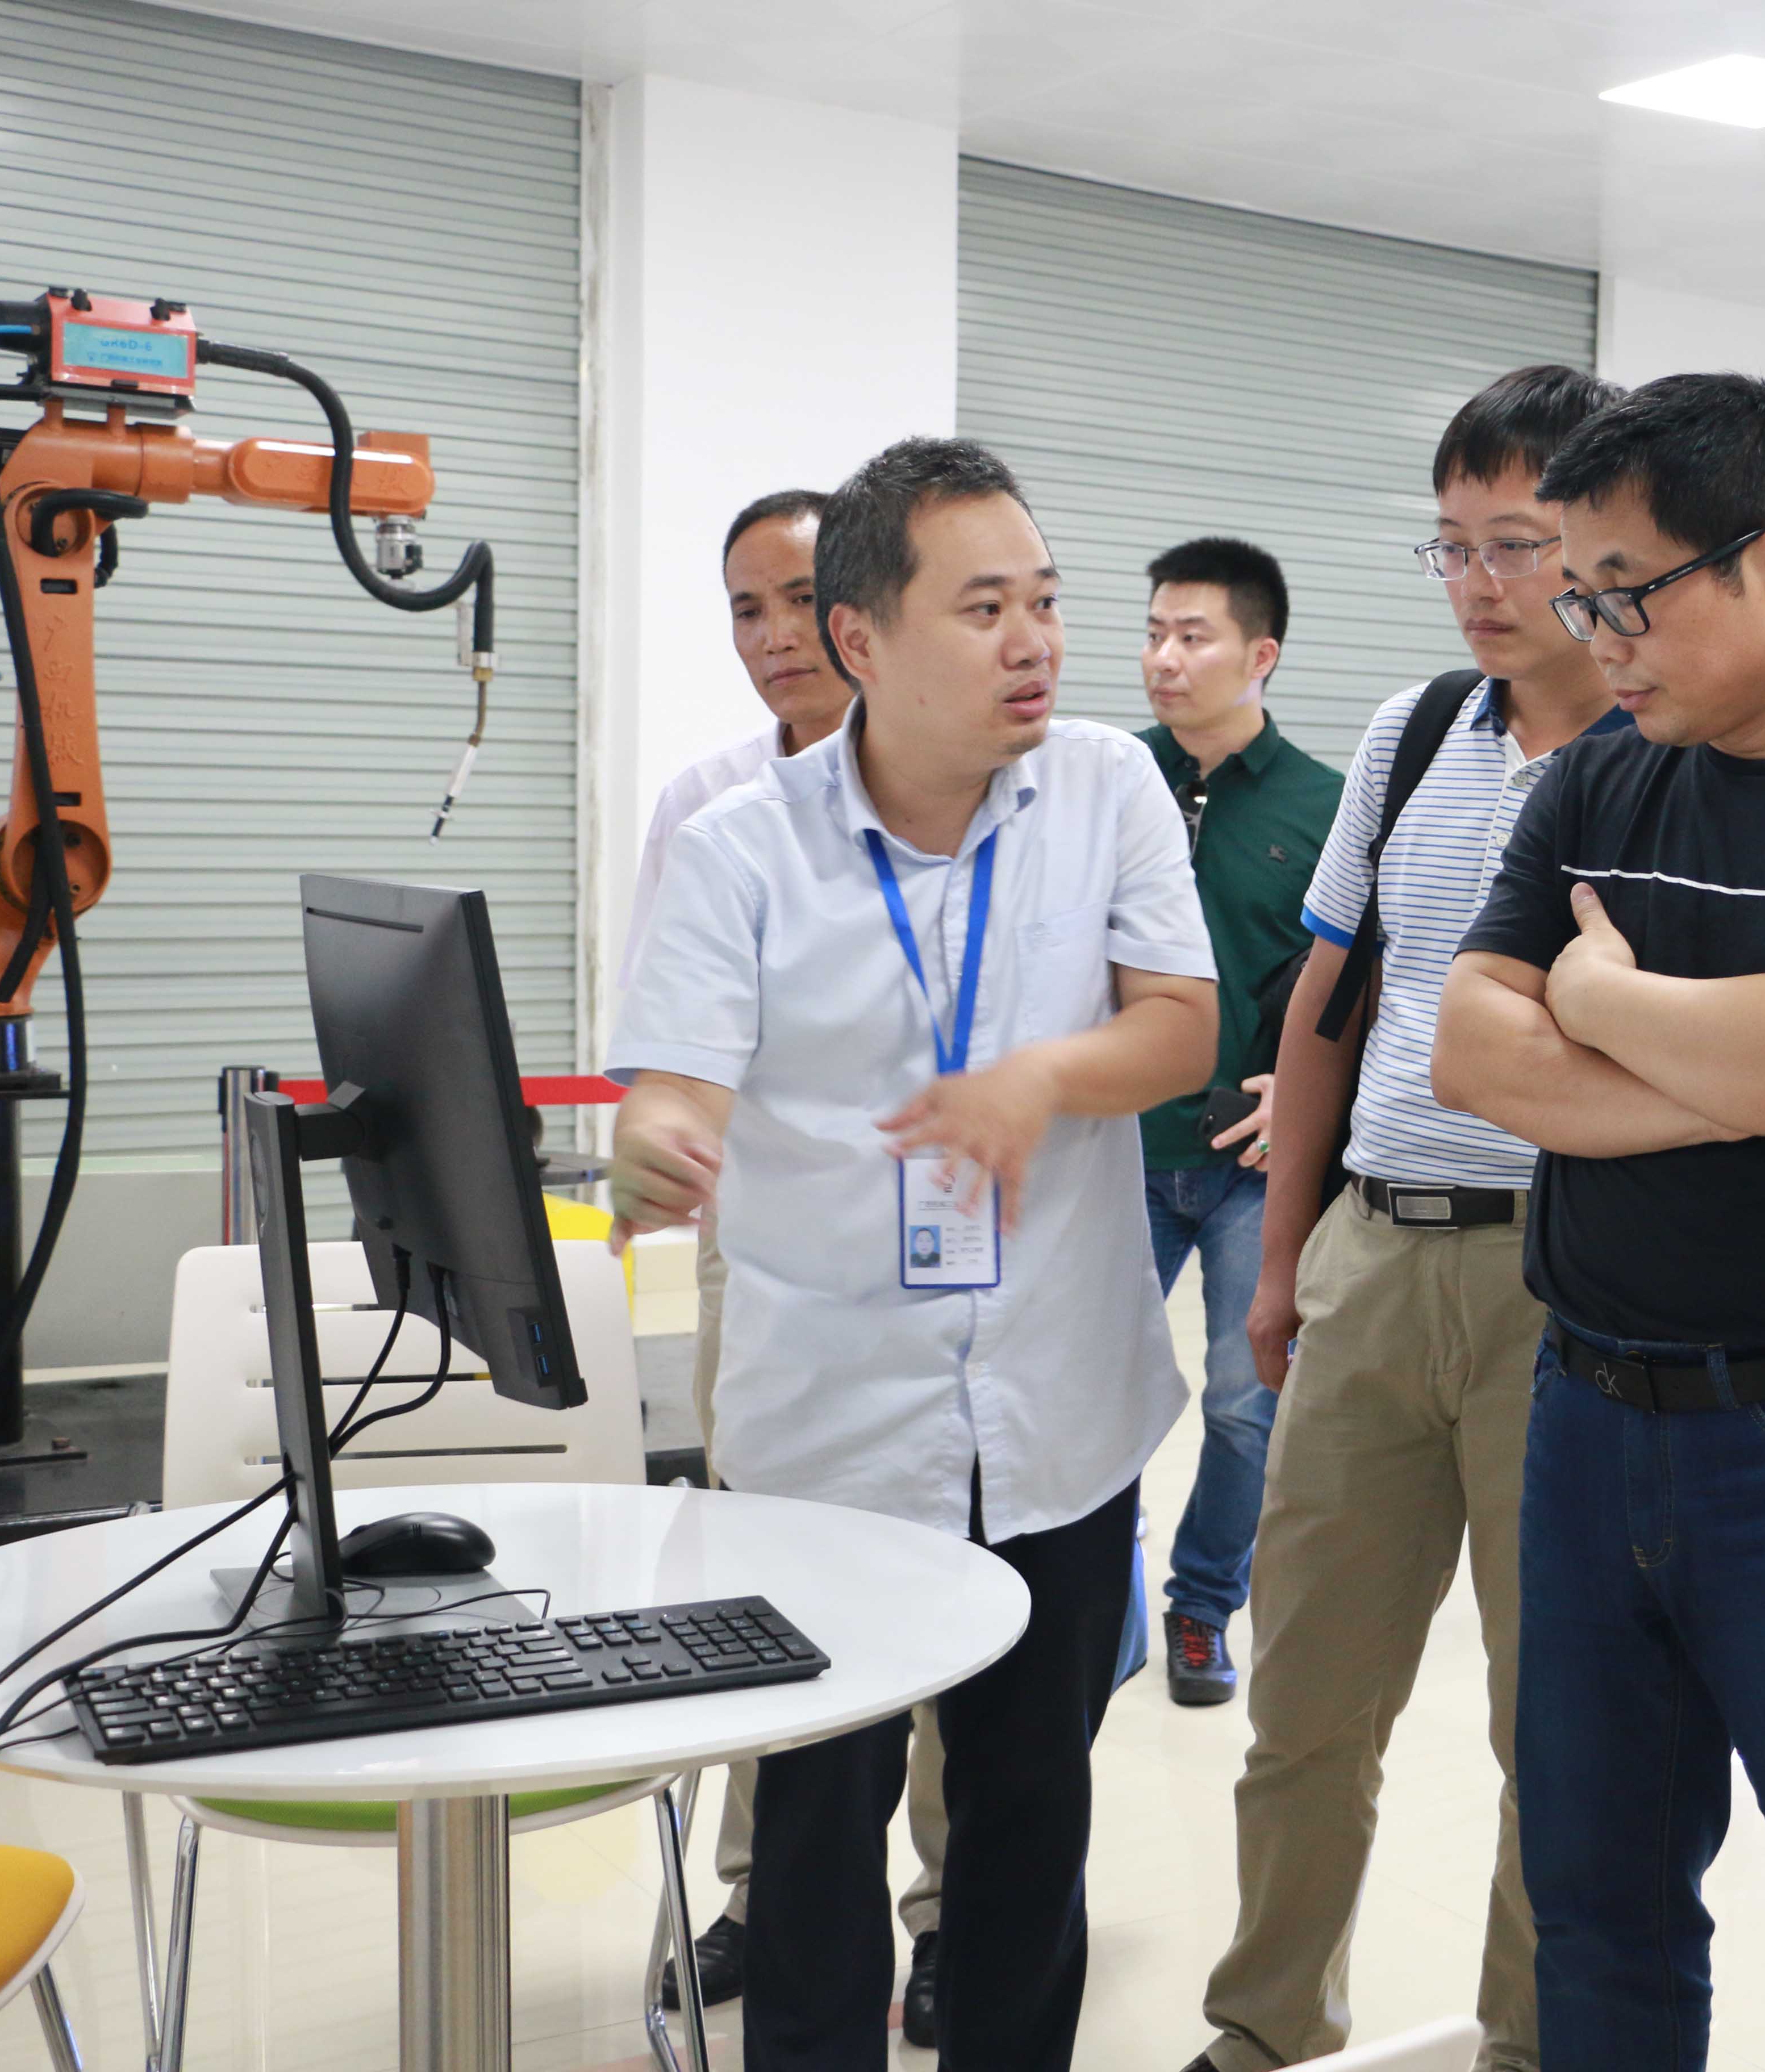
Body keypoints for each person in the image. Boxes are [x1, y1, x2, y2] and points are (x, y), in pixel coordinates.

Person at [608, 436, 1219, 2072]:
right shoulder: (741, 845)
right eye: (983, 607)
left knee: (1027, 1825)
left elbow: (1180, 1027)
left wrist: (1040, 1079)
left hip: (1060, 1415)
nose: (1034, 642)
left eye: (1045, 602)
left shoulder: (1108, 787)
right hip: (832, 1432)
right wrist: (657, 1139)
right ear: (863, 638)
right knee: (816, 1833)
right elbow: (673, 1083)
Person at [1433, 371, 1765, 2072]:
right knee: (1595, 1905)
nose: (1594, 638)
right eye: (1577, 597)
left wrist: (1599, 998)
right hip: (1585, 1414)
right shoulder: (1602, 776)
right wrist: (1760, 1067)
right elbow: (1470, 1054)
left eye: (1626, 595)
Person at [1183, 362, 1625, 2072]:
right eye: (1451, 546)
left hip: (1559, 1283)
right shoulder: (1418, 730)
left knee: (1551, 1722)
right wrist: (1283, 1260)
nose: (1479, 585)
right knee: (1305, 1702)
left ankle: (1528, 2043)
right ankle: (1264, 2026)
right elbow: (1328, 1005)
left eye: (1515, 544)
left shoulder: (1661, 755)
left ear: (1601, 540)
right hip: (1372, 1253)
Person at [618, 486, 857, 2015]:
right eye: (745, 610)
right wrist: (664, 1135)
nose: (775, 637)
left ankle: (949, 1909)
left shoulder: (977, 786)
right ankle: (765, 1898)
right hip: (760, 1246)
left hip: (938, 1255)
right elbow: (666, 1034)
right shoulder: (707, 801)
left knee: (952, 1574)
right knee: (766, 1567)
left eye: (800, 601)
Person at [1137, 536, 1345, 1706]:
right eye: (1154, 633)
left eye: (1193, 635)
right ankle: (1095, 1605)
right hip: (1120, 1149)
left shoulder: (1326, 804)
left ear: (1260, 656)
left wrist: (1304, 1098)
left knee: (1243, 1404)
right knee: (1094, 1399)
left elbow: (1360, 984)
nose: (1164, 659)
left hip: (1253, 1163)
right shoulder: (1113, 780)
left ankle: (1203, 1605)